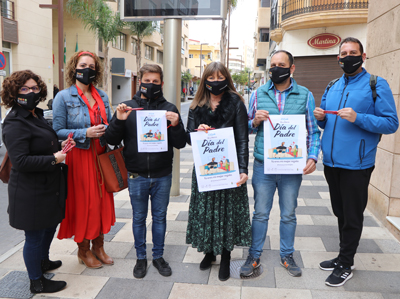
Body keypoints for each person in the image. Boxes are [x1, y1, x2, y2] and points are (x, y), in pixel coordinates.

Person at [313, 37, 398, 287]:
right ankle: (343, 255)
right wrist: (320, 118)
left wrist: (359, 117)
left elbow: (391, 123)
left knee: (352, 215)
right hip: (331, 162)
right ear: (338, 58)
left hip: (357, 164)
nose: (347, 56)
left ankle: (346, 264)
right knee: (340, 212)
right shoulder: (332, 85)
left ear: (363, 56)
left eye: (353, 52)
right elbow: (328, 122)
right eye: (343, 53)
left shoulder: (376, 85)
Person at [241, 50, 321, 278]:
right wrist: (254, 121)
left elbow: (313, 131)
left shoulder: (305, 95)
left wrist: (313, 157)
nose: (276, 68)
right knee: (260, 213)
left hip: (291, 168)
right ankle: (254, 254)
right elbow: (246, 127)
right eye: (273, 65)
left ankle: (287, 254)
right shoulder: (258, 93)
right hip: (263, 167)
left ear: (292, 68)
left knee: (288, 214)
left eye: (281, 64)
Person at [105, 64, 186, 279]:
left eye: (155, 82)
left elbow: (180, 144)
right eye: (147, 81)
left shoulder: (169, 108)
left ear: (161, 83)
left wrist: (177, 125)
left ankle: (158, 256)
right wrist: (119, 120)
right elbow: (111, 140)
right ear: (139, 81)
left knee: (159, 218)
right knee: (139, 218)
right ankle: (141, 258)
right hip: (136, 175)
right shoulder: (127, 109)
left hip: (162, 175)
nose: (151, 85)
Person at [1, 70, 73, 293]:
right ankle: (37, 281)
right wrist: (54, 158)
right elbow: (21, 161)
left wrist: (58, 146)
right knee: (33, 236)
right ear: (14, 93)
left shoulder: (36, 115)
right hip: (29, 190)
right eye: (24, 89)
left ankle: (43, 261)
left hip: (47, 186)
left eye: (34, 88)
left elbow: (41, 144)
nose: (31, 92)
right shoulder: (14, 122)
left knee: (48, 226)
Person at [186, 61, 251, 281]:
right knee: (207, 212)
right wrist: (197, 131)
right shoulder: (196, 105)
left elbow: (242, 138)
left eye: (220, 77)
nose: (216, 82)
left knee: (226, 212)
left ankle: (225, 255)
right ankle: (209, 252)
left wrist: (243, 169)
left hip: (228, 169)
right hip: (205, 170)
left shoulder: (236, 103)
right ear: (205, 80)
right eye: (211, 78)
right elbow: (188, 138)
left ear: (227, 79)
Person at [52, 51, 115, 269]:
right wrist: (84, 133)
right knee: (83, 204)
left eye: (91, 65)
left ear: (96, 70)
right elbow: (57, 131)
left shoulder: (103, 96)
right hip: (79, 157)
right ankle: (83, 250)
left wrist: (108, 128)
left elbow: (110, 124)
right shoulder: (63, 97)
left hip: (100, 156)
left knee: (100, 202)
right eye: (82, 65)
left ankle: (99, 246)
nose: (86, 69)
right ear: (74, 68)